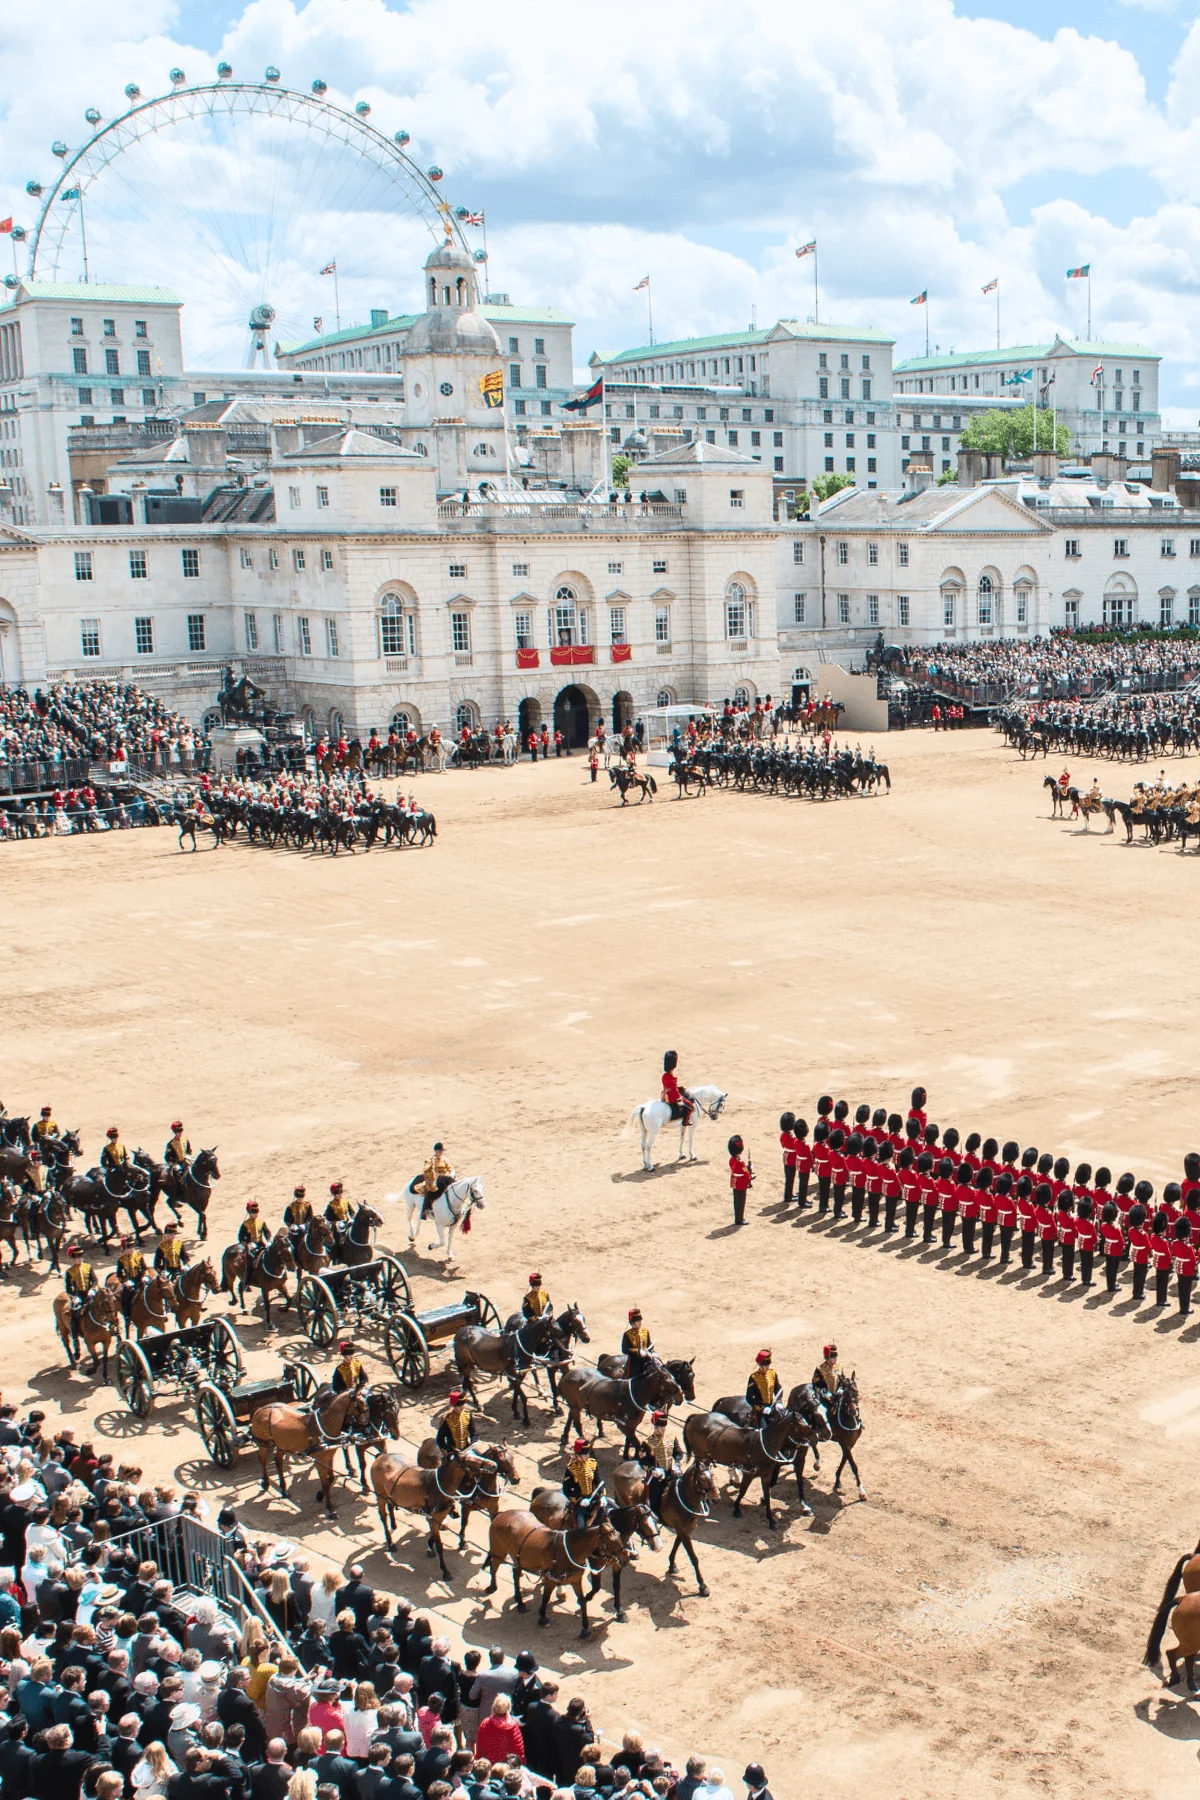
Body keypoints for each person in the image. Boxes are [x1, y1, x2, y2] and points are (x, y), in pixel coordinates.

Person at [562, 1441, 602, 1527]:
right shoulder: (571, 1469)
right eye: (584, 1454)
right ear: (577, 1455)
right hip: (580, 1503)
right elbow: (567, 1489)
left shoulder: (593, 1464)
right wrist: (579, 1500)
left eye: (588, 1454)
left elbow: (599, 1481)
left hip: (594, 1498)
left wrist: (603, 1496)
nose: (587, 1456)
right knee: (582, 1527)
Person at [435, 1393, 476, 1460]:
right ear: (454, 1406)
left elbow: (473, 1433)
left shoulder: (468, 1414)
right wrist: (449, 1451)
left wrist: (473, 1442)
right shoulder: (447, 1419)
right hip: (453, 1452)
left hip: (467, 1449)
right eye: (458, 1406)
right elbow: (440, 1440)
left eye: (462, 1405)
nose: (461, 1408)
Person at [418, 1147, 454, 1223]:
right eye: (439, 1151)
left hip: (444, 1180)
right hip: (433, 1180)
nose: (441, 1152)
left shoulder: (445, 1160)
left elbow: (451, 1169)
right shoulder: (429, 1160)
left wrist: (451, 1174)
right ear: (435, 1151)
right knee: (429, 1190)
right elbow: (426, 1170)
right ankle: (424, 1211)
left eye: (442, 1151)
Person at [660, 1053, 693, 1129]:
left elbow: (669, 1087)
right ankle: (686, 1121)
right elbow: (674, 1090)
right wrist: (679, 1098)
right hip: (672, 1098)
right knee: (690, 1106)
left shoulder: (664, 1075)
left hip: (665, 1095)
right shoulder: (671, 1077)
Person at [745, 1350, 779, 1420]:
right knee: (764, 1429)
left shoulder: (772, 1373)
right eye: (765, 1365)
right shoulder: (754, 1377)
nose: (767, 1367)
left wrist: (779, 1402)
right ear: (760, 1365)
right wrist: (762, 1408)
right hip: (760, 1410)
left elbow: (777, 1389)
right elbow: (750, 1397)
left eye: (768, 1365)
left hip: (771, 1406)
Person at [727, 1136, 753, 1227]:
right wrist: (750, 1175)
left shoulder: (732, 1160)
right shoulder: (741, 1162)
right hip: (741, 1183)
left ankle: (737, 1218)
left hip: (735, 1182)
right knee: (741, 1202)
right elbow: (746, 1175)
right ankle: (740, 1219)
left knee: (736, 1201)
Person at [619, 1309, 653, 1377]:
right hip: (635, 1361)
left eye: (640, 1320)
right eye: (638, 1321)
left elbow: (650, 1345)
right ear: (633, 1323)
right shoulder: (627, 1334)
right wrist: (638, 1352)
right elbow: (625, 1350)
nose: (640, 1322)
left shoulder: (645, 1331)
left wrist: (652, 1352)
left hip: (647, 1358)